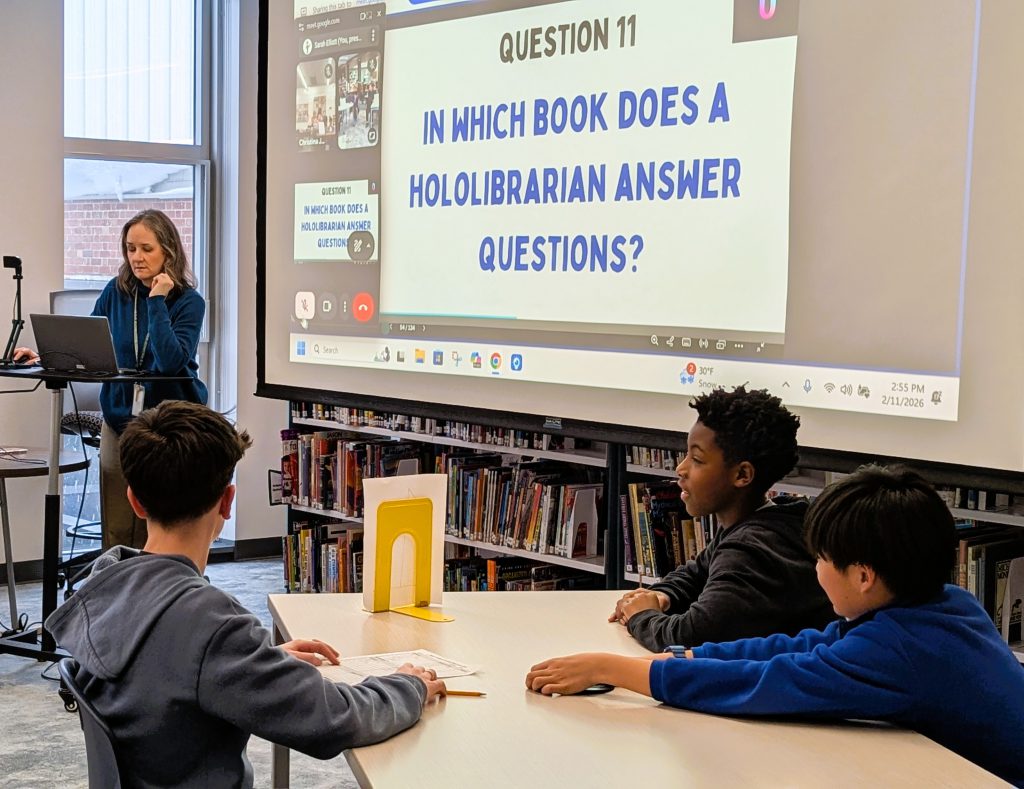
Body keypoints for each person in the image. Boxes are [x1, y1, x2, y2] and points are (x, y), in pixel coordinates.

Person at [527, 466, 1024, 786]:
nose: (815, 569)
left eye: (823, 558)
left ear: (865, 576)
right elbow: (801, 646)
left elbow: (768, 684)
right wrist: (678, 658)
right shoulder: (947, 603)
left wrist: (614, 669)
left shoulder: (895, 650)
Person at [45, 401, 446, 787]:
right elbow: (333, 720)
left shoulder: (107, 583)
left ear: (134, 501)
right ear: (227, 501)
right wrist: (406, 686)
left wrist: (257, 663)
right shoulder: (211, 625)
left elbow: (162, 671)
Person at [17, 208, 208, 549]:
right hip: (120, 420)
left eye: (146, 249)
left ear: (169, 250)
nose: (137, 257)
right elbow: (85, 346)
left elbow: (170, 362)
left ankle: (156, 593)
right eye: (130, 248)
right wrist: (44, 356)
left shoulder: (189, 302)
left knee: (159, 524)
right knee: (119, 527)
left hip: (169, 427)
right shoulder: (115, 292)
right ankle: (117, 591)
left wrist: (157, 301)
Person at [609, 386, 833, 651]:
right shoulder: (766, 521)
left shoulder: (754, 549)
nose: (681, 469)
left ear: (742, 475)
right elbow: (695, 574)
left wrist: (641, 616)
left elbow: (689, 640)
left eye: (697, 459)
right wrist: (661, 595)